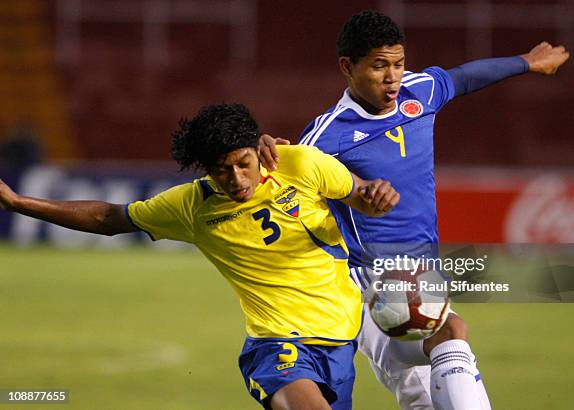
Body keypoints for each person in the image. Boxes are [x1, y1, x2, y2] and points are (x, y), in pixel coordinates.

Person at [259, 10, 570, 410]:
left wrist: (526, 62)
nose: (393, 77)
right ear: (347, 68)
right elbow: (282, 187)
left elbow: (463, 77)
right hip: (366, 282)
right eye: (379, 66)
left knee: (429, 388)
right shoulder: (326, 136)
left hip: (421, 272)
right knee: (450, 332)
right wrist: (267, 151)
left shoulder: (419, 92)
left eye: (399, 64)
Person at [0, 103, 401, 410]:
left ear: (258, 150)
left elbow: (359, 195)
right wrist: (18, 203)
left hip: (341, 339)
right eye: (222, 171)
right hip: (278, 347)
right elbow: (109, 217)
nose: (237, 180)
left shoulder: (300, 164)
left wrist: (376, 197)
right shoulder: (192, 206)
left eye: (244, 164)